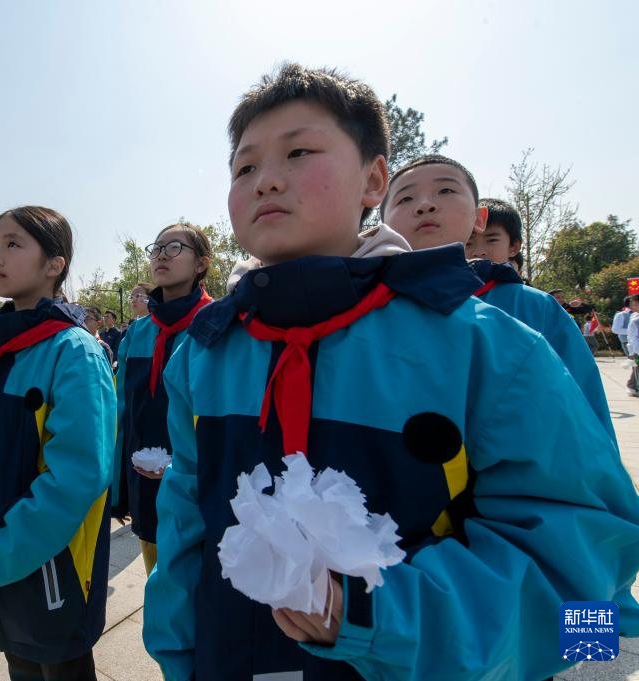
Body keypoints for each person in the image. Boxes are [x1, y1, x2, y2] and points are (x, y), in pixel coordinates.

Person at [142, 62, 639, 681]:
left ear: (373, 180)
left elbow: (582, 562)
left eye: (298, 152)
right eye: (244, 167)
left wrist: (372, 612)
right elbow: (186, 521)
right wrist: (177, 655)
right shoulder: (205, 353)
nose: (266, 179)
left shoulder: (491, 343)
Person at [0, 206, 115, 681]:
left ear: (55, 264)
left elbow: (76, 478)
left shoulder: (74, 351)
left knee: (60, 666)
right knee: (21, 666)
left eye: (13, 244)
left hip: (50, 565)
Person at [382, 159, 616, 443]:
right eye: (405, 197)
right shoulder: (368, 307)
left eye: (445, 190)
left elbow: (585, 412)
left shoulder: (536, 308)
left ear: (478, 220)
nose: (425, 205)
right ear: (383, 224)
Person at [111, 221, 212, 576]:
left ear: (201, 263)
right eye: (156, 248)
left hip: (201, 490)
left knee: (199, 584)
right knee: (157, 578)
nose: (161, 256)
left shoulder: (217, 325)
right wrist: (119, 489)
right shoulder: (138, 333)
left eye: (174, 248)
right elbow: (121, 410)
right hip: (145, 483)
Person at [627, 296, 639, 397]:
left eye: (635, 304)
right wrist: (633, 353)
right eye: (633, 304)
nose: (633, 306)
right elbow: (632, 339)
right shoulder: (635, 320)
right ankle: (632, 387)